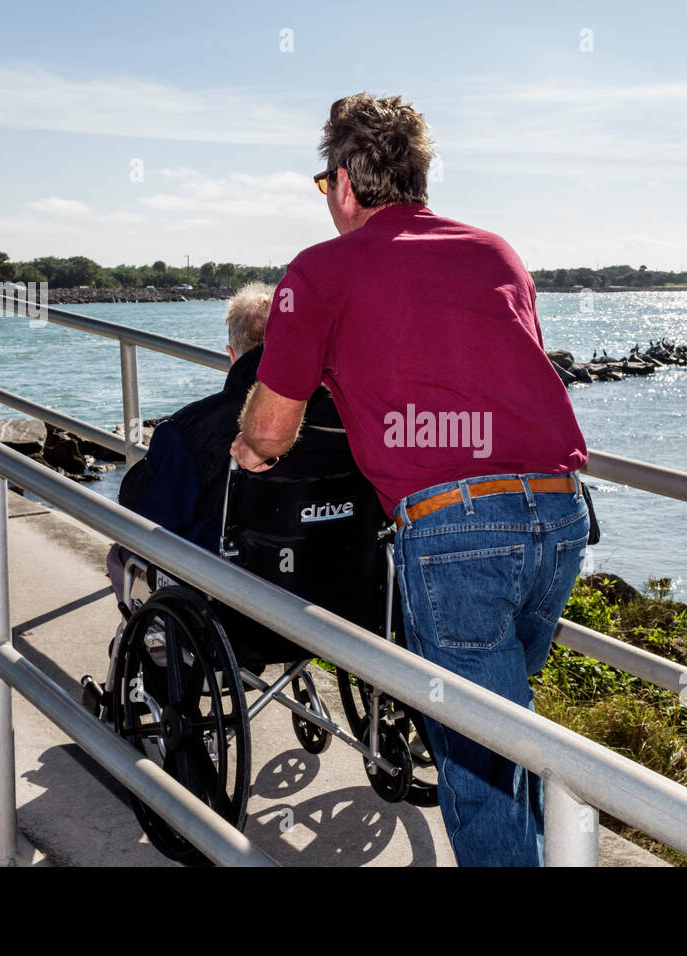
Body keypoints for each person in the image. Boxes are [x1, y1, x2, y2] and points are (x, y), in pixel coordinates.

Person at [230, 92, 589, 866]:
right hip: (559, 519)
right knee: (504, 730)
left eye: (323, 185)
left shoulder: (322, 271)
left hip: (458, 532)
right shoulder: (495, 252)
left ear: (345, 184)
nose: (326, 201)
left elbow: (267, 433)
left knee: (477, 762)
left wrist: (247, 451)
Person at [110, 282, 359, 599]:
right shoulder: (348, 420)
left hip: (234, 604)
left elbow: (151, 521)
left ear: (231, 355)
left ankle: (159, 646)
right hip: (343, 596)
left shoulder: (186, 430)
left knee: (121, 553)